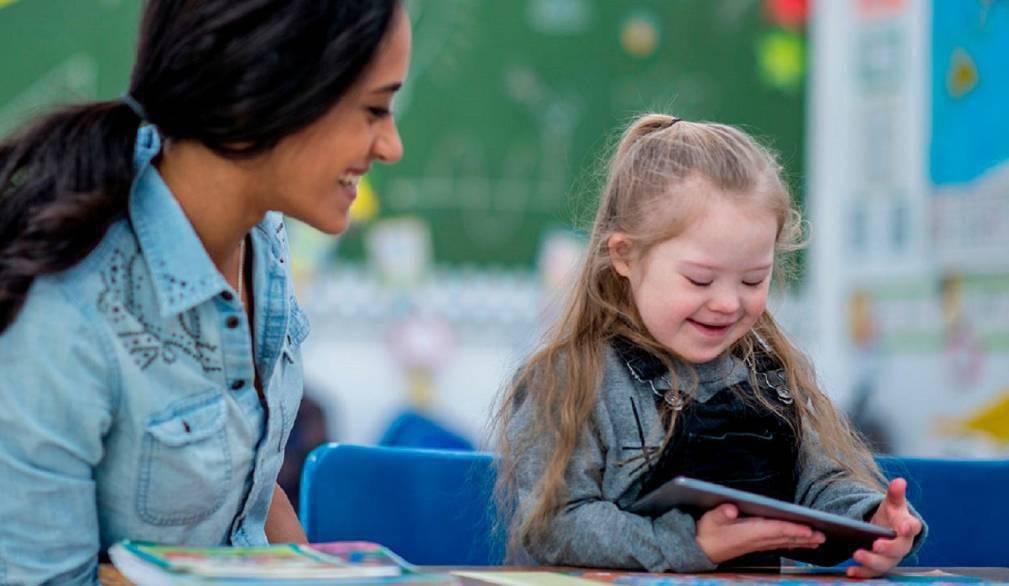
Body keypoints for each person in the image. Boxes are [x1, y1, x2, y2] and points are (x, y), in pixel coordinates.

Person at [0, 0, 409, 583]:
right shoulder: (65, 311)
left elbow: (248, 502)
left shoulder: (262, 239)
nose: (391, 146)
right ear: (270, 87)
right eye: (374, 109)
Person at [494, 114, 925, 578]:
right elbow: (553, 526)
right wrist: (689, 544)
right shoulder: (572, 378)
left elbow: (817, 486)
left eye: (753, 279)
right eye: (700, 279)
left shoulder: (771, 375)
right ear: (624, 255)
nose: (726, 303)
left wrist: (870, 521)